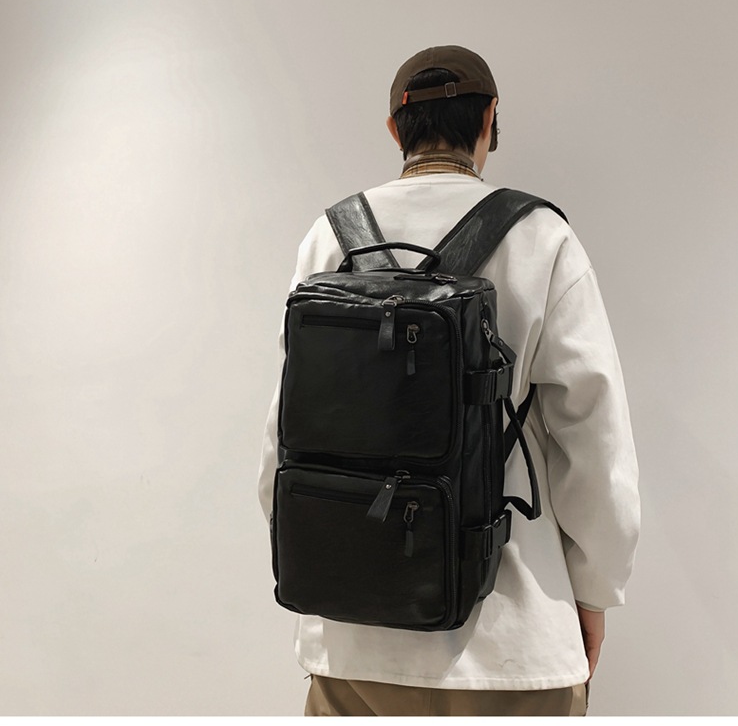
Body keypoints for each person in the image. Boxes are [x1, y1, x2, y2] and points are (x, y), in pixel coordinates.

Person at [257, 45, 640, 717]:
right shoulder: (541, 238)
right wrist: (594, 592)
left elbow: (283, 439)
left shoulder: (329, 238)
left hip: (351, 652)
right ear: (489, 119)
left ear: (394, 129)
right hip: (511, 647)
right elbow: (594, 438)